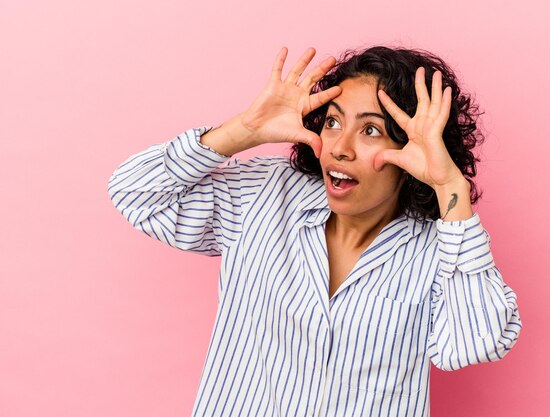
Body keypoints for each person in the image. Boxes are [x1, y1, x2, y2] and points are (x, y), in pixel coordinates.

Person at [108, 45, 522, 417]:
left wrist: (450, 188)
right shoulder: (267, 195)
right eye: (333, 122)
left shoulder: (440, 248)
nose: (341, 147)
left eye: (371, 130)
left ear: (412, 148)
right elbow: (134, 193)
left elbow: (473, 343)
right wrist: (243, 130)